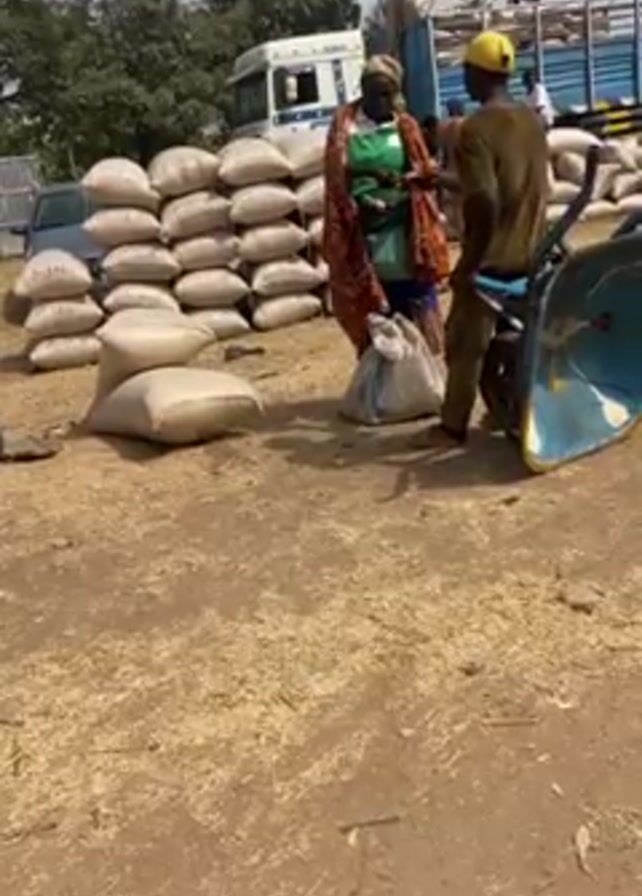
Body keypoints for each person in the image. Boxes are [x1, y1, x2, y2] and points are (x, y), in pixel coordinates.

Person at [432, 31, 548, 446]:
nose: (463, 78)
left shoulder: (474, 129)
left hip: (495, 260)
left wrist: (469, 266)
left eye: (465, 70)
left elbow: (485, 202)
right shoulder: (531, 121)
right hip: (533, 252)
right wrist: (436, 178)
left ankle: (452, 427)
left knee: (463, 341)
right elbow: (504, 184)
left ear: (477, 73)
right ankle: (506, 404)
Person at [323, 55, 449, 357]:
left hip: (405, 231)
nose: (379, 101)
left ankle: (423, 370)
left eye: (386, 93)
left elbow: (425, 173)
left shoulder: (405, 126)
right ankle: (382, 373)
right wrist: (365, 188)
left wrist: (405, 186)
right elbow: (336, 175)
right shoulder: (345, 126)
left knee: (414, 305)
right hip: (361, 233)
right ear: (362, 89)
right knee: (375, 312)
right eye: (372, 92)